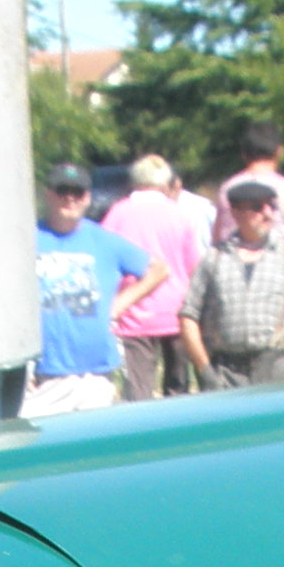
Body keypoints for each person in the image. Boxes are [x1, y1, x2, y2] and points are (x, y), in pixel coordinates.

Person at [27, 161, 162, 417]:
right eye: (61, 191)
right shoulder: (28, 238)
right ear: (48, 194)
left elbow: (158, 270)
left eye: (77, 192)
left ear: (87, 197)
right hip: (44, 373)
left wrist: (118, 306)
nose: (69, 198)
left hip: (96, 374)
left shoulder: (104, 240)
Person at [181, 180, 284, 387]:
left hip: (276, 366)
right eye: (258, 207)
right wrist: (205, 369)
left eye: (272, 206)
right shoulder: (213, 259)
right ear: (236, 212)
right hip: (225, 370)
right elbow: (189, 316)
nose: (268, 214)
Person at [102, 154, 206, 399]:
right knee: (177, 387)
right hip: (176, 310)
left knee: (138, 393)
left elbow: (105, 259)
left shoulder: (118, 213)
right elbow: (194, 266)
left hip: (134, 313)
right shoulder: (179, 214)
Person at [215, 124, 284, 248]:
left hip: (230, 263)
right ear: (279, 151)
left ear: (244, 153)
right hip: (276, 263)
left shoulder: (226, 189)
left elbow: (216, 240)